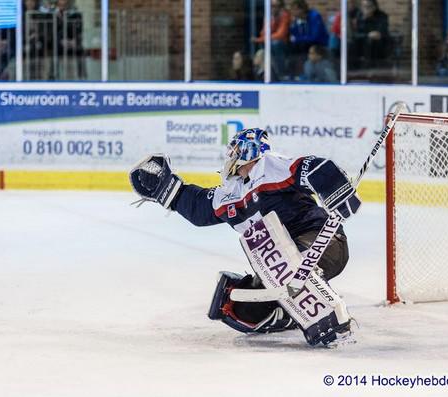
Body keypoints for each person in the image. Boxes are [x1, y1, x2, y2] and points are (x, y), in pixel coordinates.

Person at [128, 129, 360, 346]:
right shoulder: (231, 192)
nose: (230, 156)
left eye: (235, 151)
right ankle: (289, 314)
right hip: (281, 267)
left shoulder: (269, 166)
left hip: (324, 243)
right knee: (238, 308)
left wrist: (335, 188)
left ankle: (330, 318)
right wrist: (168, 189)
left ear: (249, 150)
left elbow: (314, 168)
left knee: (282, 260)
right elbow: (200, 207)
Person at [287, 0, 329, 79]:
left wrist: (298, 39)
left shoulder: (314, 16)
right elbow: (293, 36)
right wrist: (292, 25)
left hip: (319, 43)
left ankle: (306, 75)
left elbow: (315, 36)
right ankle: (292, 76)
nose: (292, 12)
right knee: (292, 48)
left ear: (301, 9)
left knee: (303, 47)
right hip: (305, 43)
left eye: (294, 10)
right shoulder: (296, 20)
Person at [252, 0, 290, 80]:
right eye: (272, 6)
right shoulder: (269, 16)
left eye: (276, 6)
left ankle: (281, 73)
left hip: (285, 44)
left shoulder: (285, 15)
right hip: (272, 41)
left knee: (275, 44)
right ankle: (262, 72)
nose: (274, 8)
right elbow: (263, 33)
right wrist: (272, 20)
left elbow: (281, 34)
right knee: (264, 46)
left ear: (281, 7)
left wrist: (260, 39)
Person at [348, 0, 390, 70]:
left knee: (372, 41)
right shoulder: (359, 15)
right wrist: (364, 20)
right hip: (362, 40)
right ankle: (353, 69)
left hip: (378, 43)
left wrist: (375, 34)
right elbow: (355, 33)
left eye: (368, 6)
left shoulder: (382, 15)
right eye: (363, 6)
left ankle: (371, 67)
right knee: (350, 44)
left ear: (374, 7)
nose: (365, 9)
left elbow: (380, 32)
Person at [55, 0, 85, 80]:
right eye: (60, 5)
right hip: (59, 44)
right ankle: (55, 76)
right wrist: (61, 41)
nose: (63, 7)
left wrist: (72, 40)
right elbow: (52, 32)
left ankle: (81, 76)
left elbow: (79, 29)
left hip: (73, 43)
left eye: (64, 5)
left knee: (79, 52)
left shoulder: (76, 14)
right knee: (55, 51)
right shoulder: (54, 16)